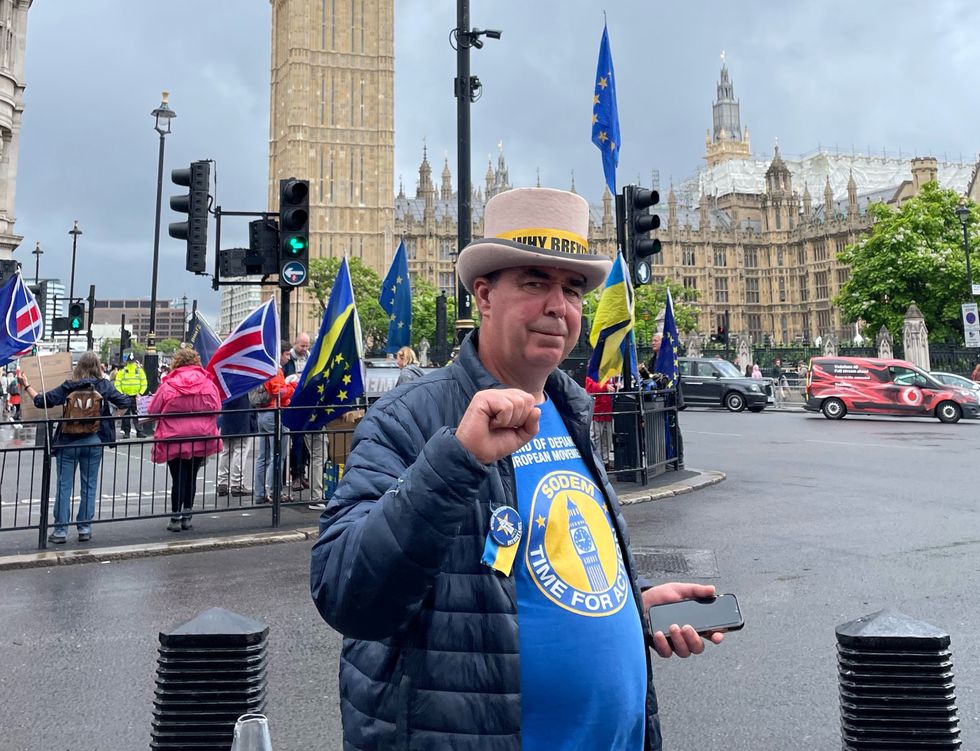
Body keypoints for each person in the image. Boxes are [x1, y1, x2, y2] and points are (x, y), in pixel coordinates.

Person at [310, 187, 721, 750]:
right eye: (535, 282)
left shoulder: (569, 409)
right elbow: (346, 592)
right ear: (483, 294)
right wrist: (455, 460)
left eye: (572, 288)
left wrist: (628, 600)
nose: (559, 305)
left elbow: (547, 553)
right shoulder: (410, 417)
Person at [20, 351, 130, 543]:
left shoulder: (69, 386)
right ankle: (84, 528)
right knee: (89, 486)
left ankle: (61, 531)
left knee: (64, 486)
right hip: (94, 441)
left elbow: (41, 401)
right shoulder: (104, 386)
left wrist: (27, 385)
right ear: (98, 366)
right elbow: (125, 401)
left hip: (68, 442)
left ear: (78, 367)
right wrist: (113, 418)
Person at [148, 347, 222, 532]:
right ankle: (187, 515)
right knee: (192, 476)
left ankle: (175, 517)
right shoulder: (208, 383)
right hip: (200, 435)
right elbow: (217, 407)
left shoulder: (168, 384)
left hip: (175, 437)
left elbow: (153, 410)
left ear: (177, 363)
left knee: (178, 477)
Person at [252, 370, 296, 504]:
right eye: (286, 354)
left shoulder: (259, 368)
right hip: (274, 413)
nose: (287, 358)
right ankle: (275, 493)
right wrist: (293, 386)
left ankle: (260, 494)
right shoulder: (273, 369)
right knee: (277, 456)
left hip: (261, 413)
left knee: (263, 457)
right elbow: (279, 392)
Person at [215, 392, 256, 497]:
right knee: (240, 449)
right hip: (242, 412)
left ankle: (222, 483)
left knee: (225, 450)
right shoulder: (244, 380)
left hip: (226, 413)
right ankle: (236, 483)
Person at [585, 374, 616, 469]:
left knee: (607, 438)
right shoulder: (591, 373)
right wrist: (605, 387)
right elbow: (590, 388)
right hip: (597, 411)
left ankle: (605, 461)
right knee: (596, 437)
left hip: (608, 411)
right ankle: (596, 461)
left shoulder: (610, 373)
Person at [114, 353, 148, 438]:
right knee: (131, 415)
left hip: (133, 396)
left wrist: (140, 393)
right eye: (131, 362)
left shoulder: (125, 371)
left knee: (132, 415)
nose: (131, 364)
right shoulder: (135, 371)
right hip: (130, 396)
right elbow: (117, 383)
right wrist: (140, 393)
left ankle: (133, 432)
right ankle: (132, 432)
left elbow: (144, 382)